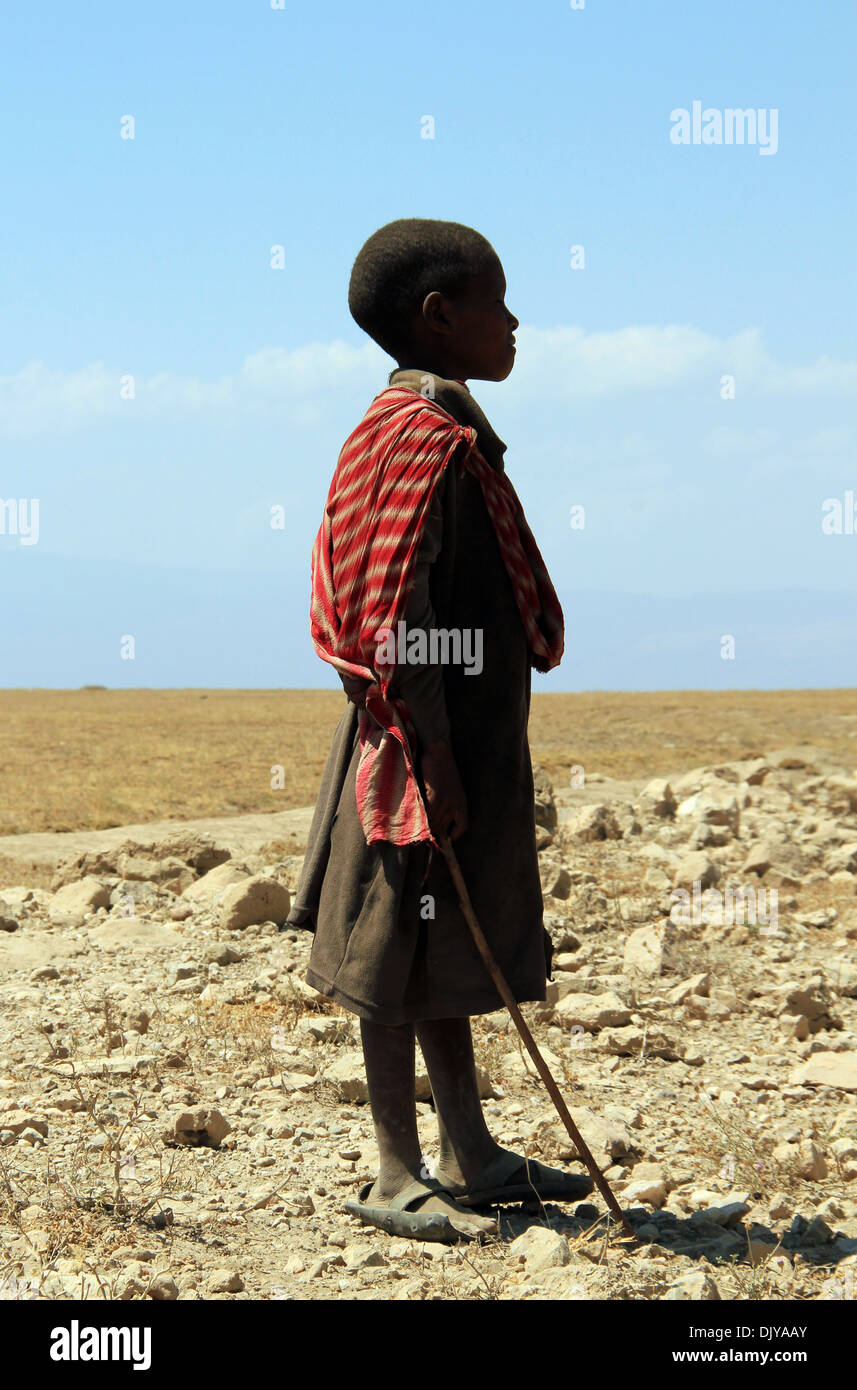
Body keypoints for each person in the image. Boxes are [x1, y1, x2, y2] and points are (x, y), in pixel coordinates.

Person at [285, 218, 592, 1242]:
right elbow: (394, 619)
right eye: (495, 303)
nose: (514, 324)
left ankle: (467, 1150)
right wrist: (437, 755)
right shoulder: (427, 444)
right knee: (392, 952)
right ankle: (390, 1168)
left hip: (432, 738)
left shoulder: (403, 427)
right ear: (439, 318)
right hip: (414, 749)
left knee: (439, 945)